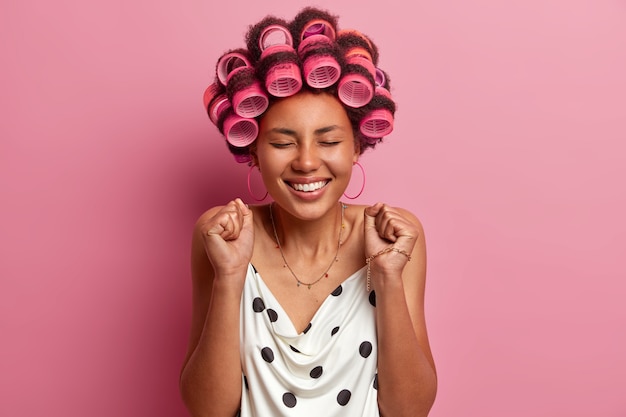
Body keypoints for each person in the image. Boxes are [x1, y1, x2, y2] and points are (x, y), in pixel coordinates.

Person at [180, 6, 437, 417]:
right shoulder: (220, 238)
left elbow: (410, 411)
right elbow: (208, 410)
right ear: (253, 151)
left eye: (328, 141)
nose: (306, 162)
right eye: (283, 143)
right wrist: (230, 277)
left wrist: (387, 276)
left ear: (356, 147)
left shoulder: (396, 239)